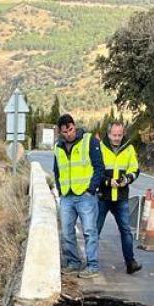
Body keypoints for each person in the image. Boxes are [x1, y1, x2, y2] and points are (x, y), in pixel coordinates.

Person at [52, 114, 104, 278]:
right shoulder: (58, 147)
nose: (69, 134)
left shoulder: (89, 141)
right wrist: (60, 190)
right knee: (67, 232)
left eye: (71, 129)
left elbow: (99, 167)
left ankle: (93, 266)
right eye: (65, 132)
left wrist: (91, 189)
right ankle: (73, 263)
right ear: (60, 132)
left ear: (74, 126)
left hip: (85, 195)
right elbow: (57, 170)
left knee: (89, 231)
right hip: (67, 196)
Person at [97, 122, 142, 275]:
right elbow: (95, 170)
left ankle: (130, 262)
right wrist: (107, 181)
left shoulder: (129, 149)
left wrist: (127, 179)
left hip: (121, 197)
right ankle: (91, 263)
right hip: (103, 196)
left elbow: (135, 169)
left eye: (119, 135)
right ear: (108, 134)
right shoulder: (100, 148)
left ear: (123, 134)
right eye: (114, 135)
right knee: (95, 230)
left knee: (126, 231)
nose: (117, 138)